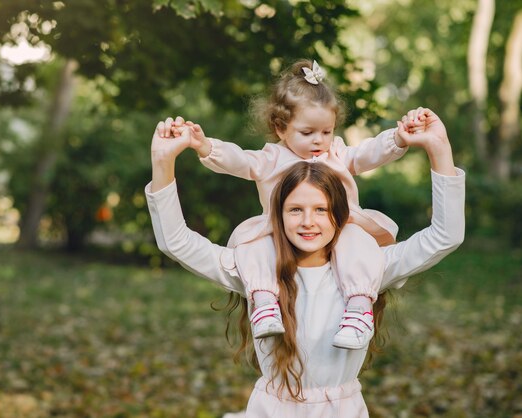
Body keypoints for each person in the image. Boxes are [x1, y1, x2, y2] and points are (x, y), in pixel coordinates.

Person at [146, 107, 464, 416]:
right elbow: (176, 241)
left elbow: (444, 235)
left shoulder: (369, 267)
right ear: (278, 215)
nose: (308, 222)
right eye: (295, 209)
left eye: (321, 210)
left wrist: (439, 150)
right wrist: (163, 162)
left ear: (339, 214)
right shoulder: (257, 269)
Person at [160, 59, 410, 350]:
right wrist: (205, 146)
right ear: (281, 128)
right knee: (254, 247)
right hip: (280, 231)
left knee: (357, 243)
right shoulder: (271, 158)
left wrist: (397, 139)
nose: (319, 140)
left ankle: (358, 308)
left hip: (339, 226)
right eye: (308, 133)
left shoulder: (337, 153)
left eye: (326, 132)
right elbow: (240, 160)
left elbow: (367, 153)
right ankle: (265, 304)